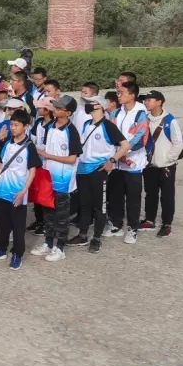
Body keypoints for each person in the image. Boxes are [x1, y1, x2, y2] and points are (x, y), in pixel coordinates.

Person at [0, 108, 41, 270]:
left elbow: (32, 171)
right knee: (1, 223)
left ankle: (17, 253)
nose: (12, 128)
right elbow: (0, 163)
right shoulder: (8, 144)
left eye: (16, 125)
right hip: (3, 190)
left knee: (17, 225)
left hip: (17, 192)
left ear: (25, 126)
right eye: (11, 124)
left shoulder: (29, 146)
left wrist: (24, 191)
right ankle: (1, 248)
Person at [71, 95, 125, 253]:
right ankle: (82, 234)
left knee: (99, 206)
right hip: (83, 169)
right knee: (84, 204)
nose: (87, 106)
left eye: (91, 103)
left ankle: (96, 238)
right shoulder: (87, 124)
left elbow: (125, 145)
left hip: (98, 171)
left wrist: (112, 161)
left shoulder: (108, 126)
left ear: (100, 106)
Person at [30, 95, 82, 262]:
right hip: (48, 177)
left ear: (68, 112)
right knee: (48, 213)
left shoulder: (71, 131)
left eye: (59, 108)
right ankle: (48, 243)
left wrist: (48, 155)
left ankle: (60, 248)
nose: (55, 109)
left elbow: (72, 158)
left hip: (63, 179)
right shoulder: (51, 125)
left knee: (61, 215)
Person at [108, 81, 149, 244]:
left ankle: (132, 228)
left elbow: (140, 139)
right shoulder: (115, 113)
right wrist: (117, 155)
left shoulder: (141, 113)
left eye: (122, 93)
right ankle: (116, 224)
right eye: (118, 93)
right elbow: (110, 134)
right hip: (118, 163)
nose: (119, 95)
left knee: (133, 198)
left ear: (132, 95)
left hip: (133, 163)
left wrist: (122, 154)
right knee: (115, 194)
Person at [141, 90, 183, 238]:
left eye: (149, 99)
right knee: (150, 193)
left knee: (167, 195)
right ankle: (149, 220)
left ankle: (167, 224)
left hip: (166, 166)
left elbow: (178, 144)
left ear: (159, 102)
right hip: (149, 165)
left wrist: (168, 159)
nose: (146, 102)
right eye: (145, 100)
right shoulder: (145, 119)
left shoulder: (170, 120)